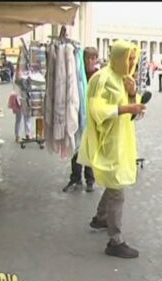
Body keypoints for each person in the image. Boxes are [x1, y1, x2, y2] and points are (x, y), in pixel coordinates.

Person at [78, 40, 147, 259]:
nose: (132, 62)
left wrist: (133, 94)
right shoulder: (102, 78)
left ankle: (100, 218)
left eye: (134, 59)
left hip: (122, 139)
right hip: (107, 141)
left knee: (116, 181)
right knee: (118, 188)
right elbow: (97, 109)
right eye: (129, 58)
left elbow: (132, 114)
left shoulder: (125, 79)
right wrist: (127, 106)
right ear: (119, 57)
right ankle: (115, 240)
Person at [63, 47, 99, 193]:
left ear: (96, 59)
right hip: (78, 113)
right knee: (76, 146)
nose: (89, 61)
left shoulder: (98, 76)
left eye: (92, 58)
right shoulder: (78, 73)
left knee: (89, 149)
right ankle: (76, 177)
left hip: (92, 115)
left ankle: (90, 179)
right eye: (87, 58)